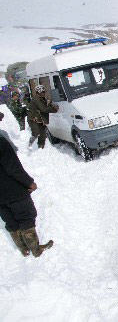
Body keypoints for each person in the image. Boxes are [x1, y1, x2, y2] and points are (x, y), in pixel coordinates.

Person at [0, 111, 53, 257]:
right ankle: (36, 249)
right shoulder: (1, 141)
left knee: (10, 220)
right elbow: (13, 168)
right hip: (13, 189)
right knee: (26, 216)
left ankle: (24, 249)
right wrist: (29, 182)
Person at [27, 84, 59, 149]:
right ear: (37, 93)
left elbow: (45, 106)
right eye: (41, 92)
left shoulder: (41, 98)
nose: (43, 93)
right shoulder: (36, 99)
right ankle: (30, 146)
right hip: (34, 120)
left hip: (39, 119)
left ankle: (40, 147)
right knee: (36, 134)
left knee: (42, 134)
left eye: (43, 92)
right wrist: (54, 109)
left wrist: (49, 103)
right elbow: (44, 109)